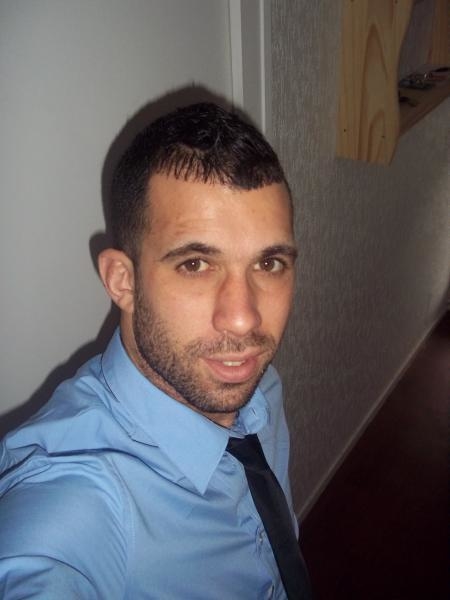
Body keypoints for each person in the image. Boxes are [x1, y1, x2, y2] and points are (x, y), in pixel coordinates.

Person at [0, 103, 308, 599]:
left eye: (268, 263)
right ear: (122, 280)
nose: (244, 319)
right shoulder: (74, 503)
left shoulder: (256, 384)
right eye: (195, 264)